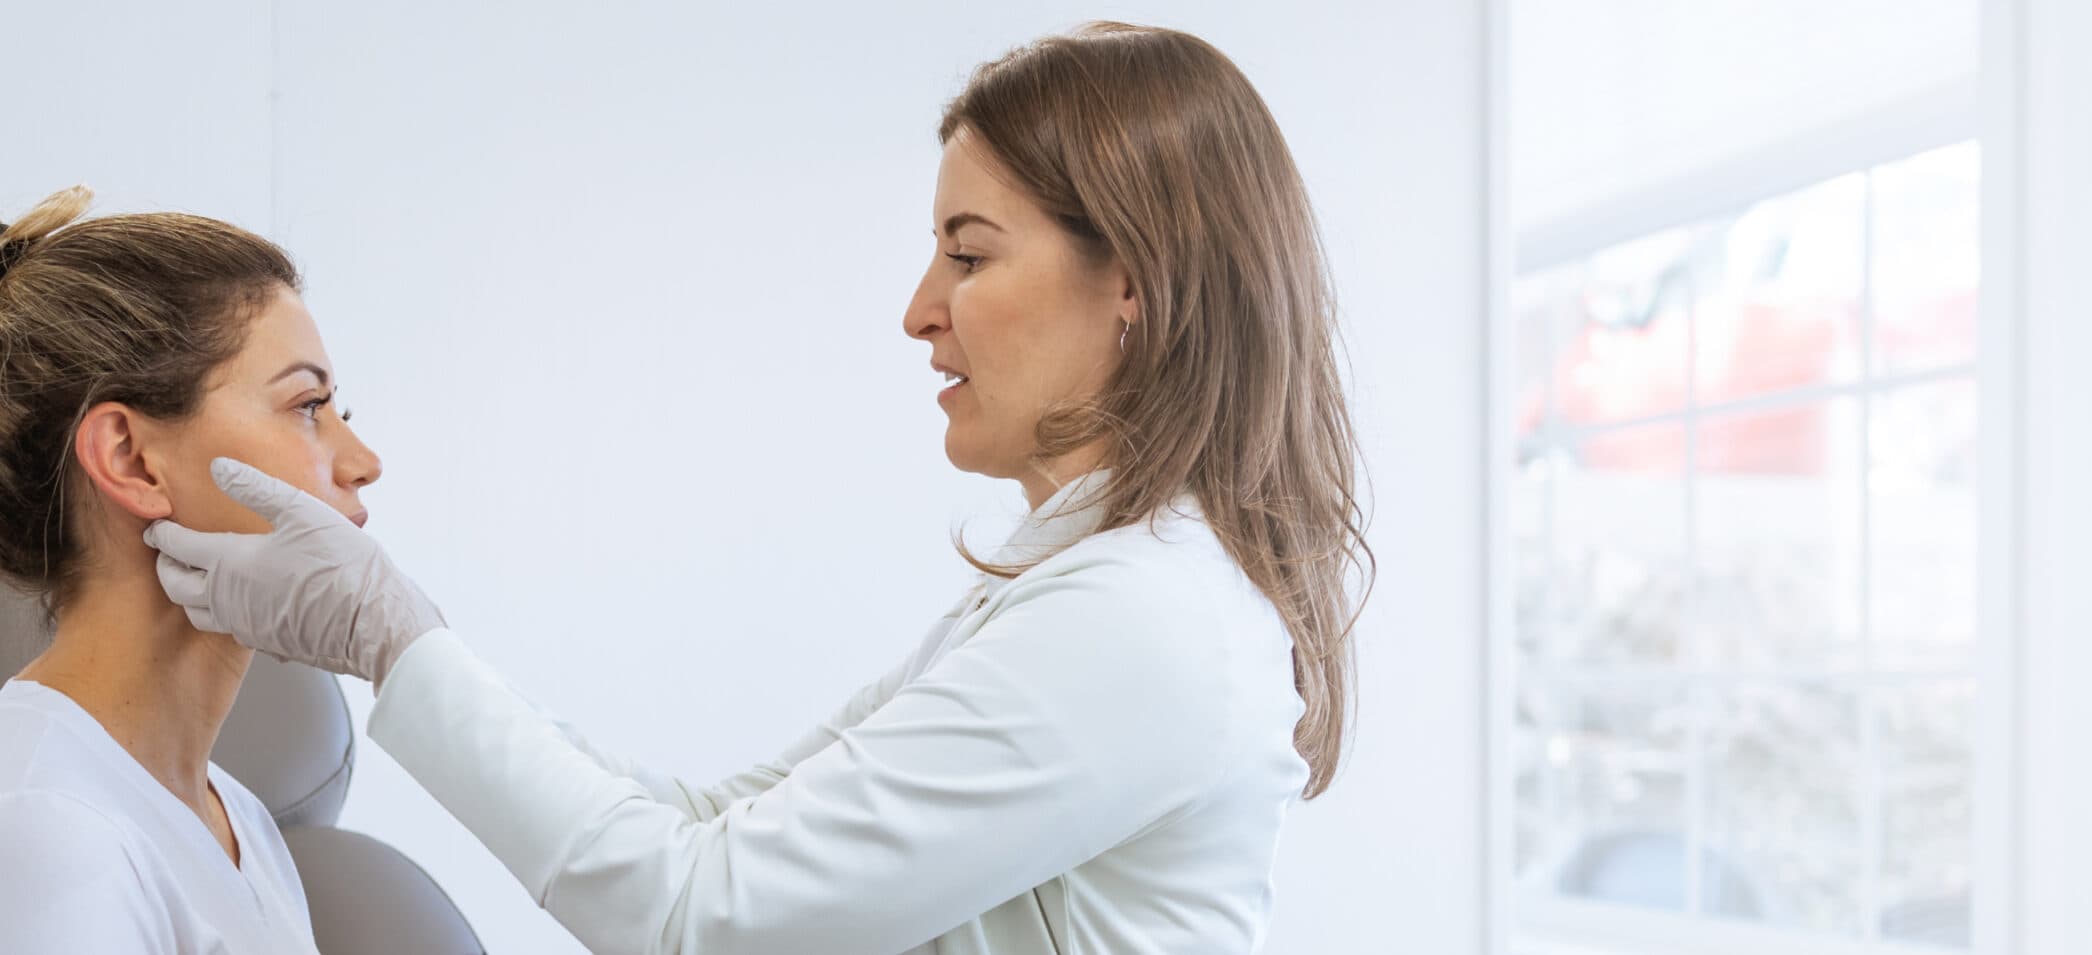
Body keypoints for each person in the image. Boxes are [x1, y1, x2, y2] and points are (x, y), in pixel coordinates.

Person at [147, 21, 1372, 955]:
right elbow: (712, 828)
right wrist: (406, 641)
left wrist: (392, 639)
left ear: (1134, 283)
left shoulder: (1139, 622)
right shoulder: (1089, 589)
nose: (918, 309)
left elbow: (702, 915)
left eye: (969, 252)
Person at [0, 184, 380, 954]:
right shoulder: (49, 827)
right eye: (308, 406)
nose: (364, 463)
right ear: (131, 458)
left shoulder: (238, 818)